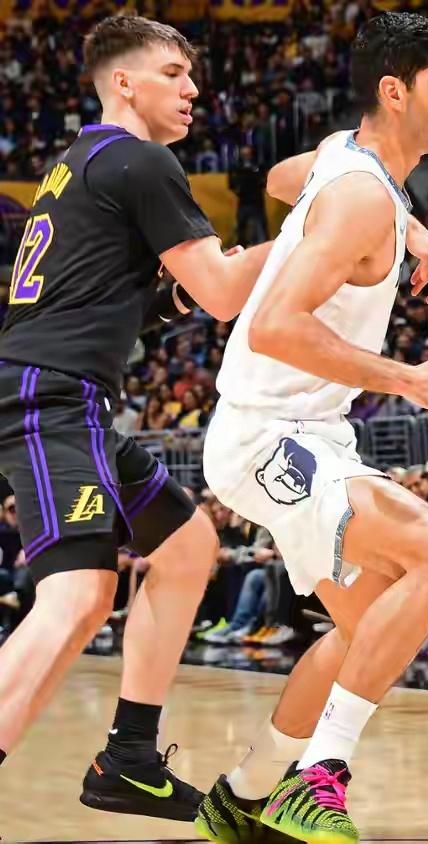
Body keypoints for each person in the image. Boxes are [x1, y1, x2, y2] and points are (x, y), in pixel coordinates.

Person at [195, 13, 428, 842]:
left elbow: (283, 175)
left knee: (370, 631)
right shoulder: (362, 194)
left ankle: (243, 795)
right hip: (270, 433)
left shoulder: (346, 159)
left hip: (303, 430)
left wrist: (412, 226)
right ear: (394, 92)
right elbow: (273, 327)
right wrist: (410, 378)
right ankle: (320, 778)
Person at [0, 15, 273, 821]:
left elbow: (105, 298)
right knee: (79, 595)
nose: (193, 90)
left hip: (65, 392)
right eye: (173, 74)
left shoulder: (77, 162)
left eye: (193, 76)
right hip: (51, 395)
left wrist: (168, 298)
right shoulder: (141, 159)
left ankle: (129, 759)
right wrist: (318, 230)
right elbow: (224, 294)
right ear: (123, 82)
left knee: (187, 546)